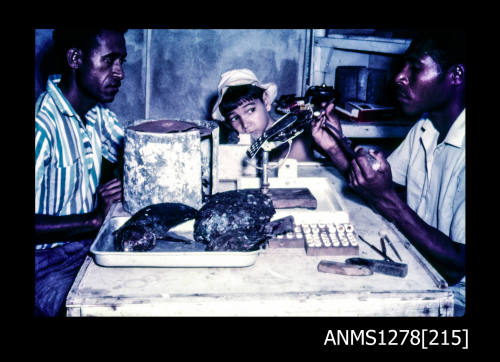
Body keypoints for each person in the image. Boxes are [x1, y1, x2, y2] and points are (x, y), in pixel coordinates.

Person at [311, 30, 466, 316]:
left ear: (455, 76)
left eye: (416, 68)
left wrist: (388, 200)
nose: (399, 77)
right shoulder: (425, 128)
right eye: (404, 66)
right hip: (418, 264)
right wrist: (336, 147)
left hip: (454, 297)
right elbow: (376, 189)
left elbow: (458, 264)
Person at [34, 28, 128, 316]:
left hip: (88, 248)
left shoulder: (96, 114)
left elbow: (137, 152)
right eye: (109, 61)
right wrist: (95, 218)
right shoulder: (41, 125)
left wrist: (127, 176)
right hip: (45, 265)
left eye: (122, 61)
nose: (119, 73)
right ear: (75, 58)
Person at [212, 68, 315, 162]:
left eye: (250, 110)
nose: (245, 125)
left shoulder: (297, 143)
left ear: (266, 101)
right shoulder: (239, 148)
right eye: (234, 118)